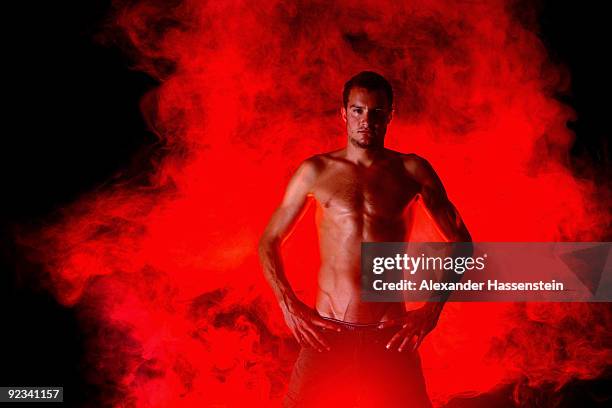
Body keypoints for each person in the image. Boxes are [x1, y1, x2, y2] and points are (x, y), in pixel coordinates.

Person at [258, 71, 472, 407]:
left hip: (390, 335)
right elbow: (269, 240)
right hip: (326, 334)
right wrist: (287, 303)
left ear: (390, 115)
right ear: (343, 113)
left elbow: (461, 242)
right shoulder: (316, 171)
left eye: (376, 112)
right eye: (357, 110)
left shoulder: (412, 170)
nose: (366, 121)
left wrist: (432, 310)